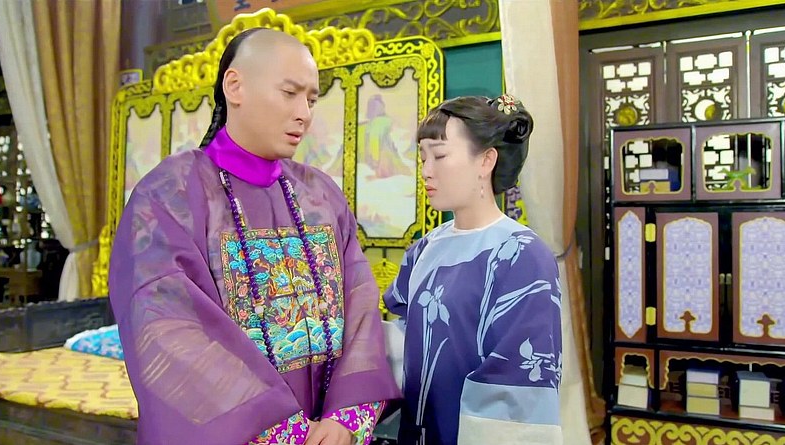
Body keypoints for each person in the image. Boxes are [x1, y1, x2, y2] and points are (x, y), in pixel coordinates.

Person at [108, 28, 399, 445]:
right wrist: (287, 433)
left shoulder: (321, 195)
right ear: (235, 86)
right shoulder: (170, 195)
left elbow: (360, 306)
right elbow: (167, 327)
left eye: (312, 99)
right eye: (290, 93)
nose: (304, 113)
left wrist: (344, 419)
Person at [382, 95, 563, 444]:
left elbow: (519, 377)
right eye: (423, 158)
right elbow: (407, 342)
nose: (426, 171)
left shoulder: (523, 254)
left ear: (486, 160)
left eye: (440, 156)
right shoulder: (424, 248)